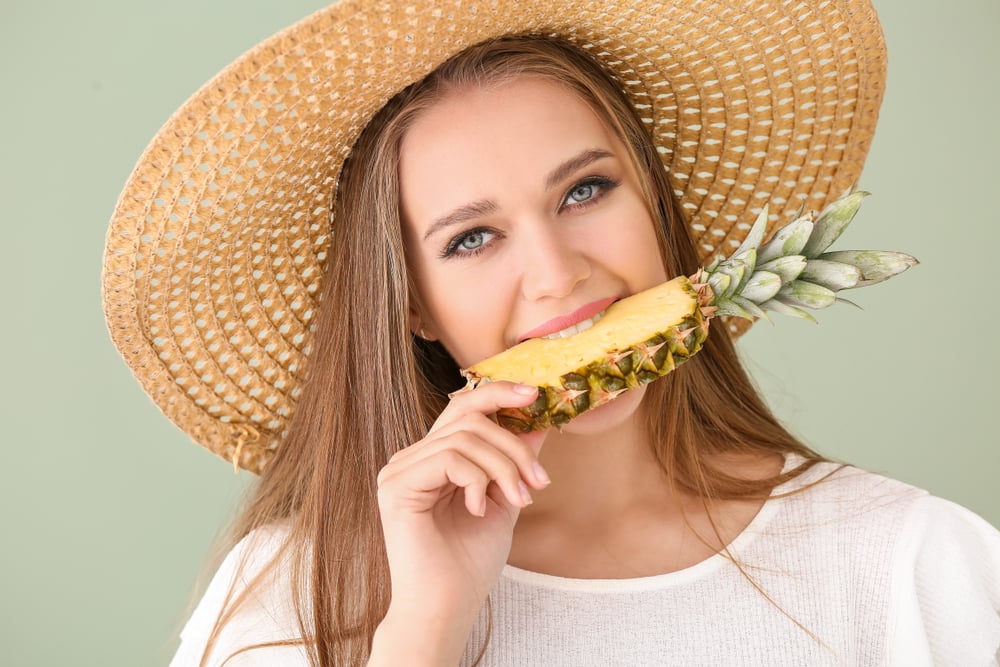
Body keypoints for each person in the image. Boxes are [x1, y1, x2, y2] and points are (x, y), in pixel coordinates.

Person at [102, 1, 1000, 665]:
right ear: (412, 303)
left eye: (585, 190)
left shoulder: (909, 561)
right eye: (472, 238)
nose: (557, 272)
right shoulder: (292, 595)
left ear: (655, 202)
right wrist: (423, 627)